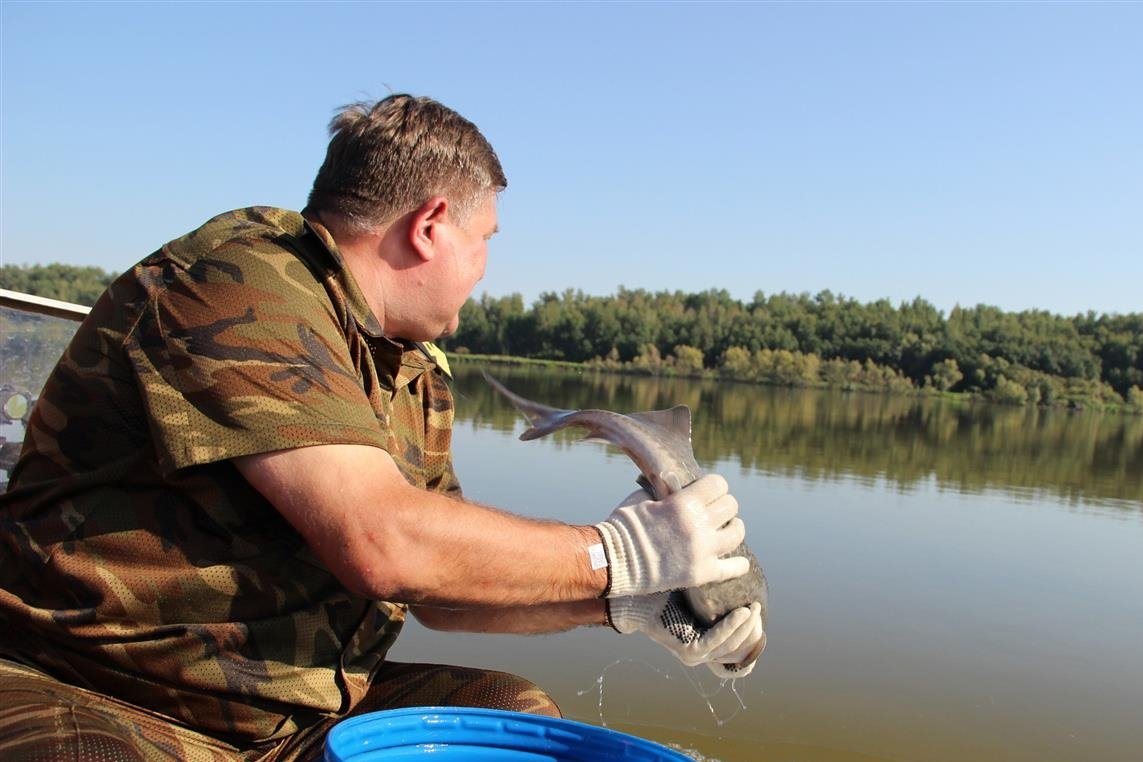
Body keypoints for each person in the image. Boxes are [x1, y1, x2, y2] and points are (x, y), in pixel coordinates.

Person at [0, 94, 765, 761]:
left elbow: (439, 590)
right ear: (431, 225)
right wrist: (619, 554)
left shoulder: (413, 369)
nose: (485, 268)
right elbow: (382, 542)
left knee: (512, 713)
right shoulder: (240, 286)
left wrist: (624, 602)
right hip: (93, 691)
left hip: (288, 719)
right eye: (487, 239)